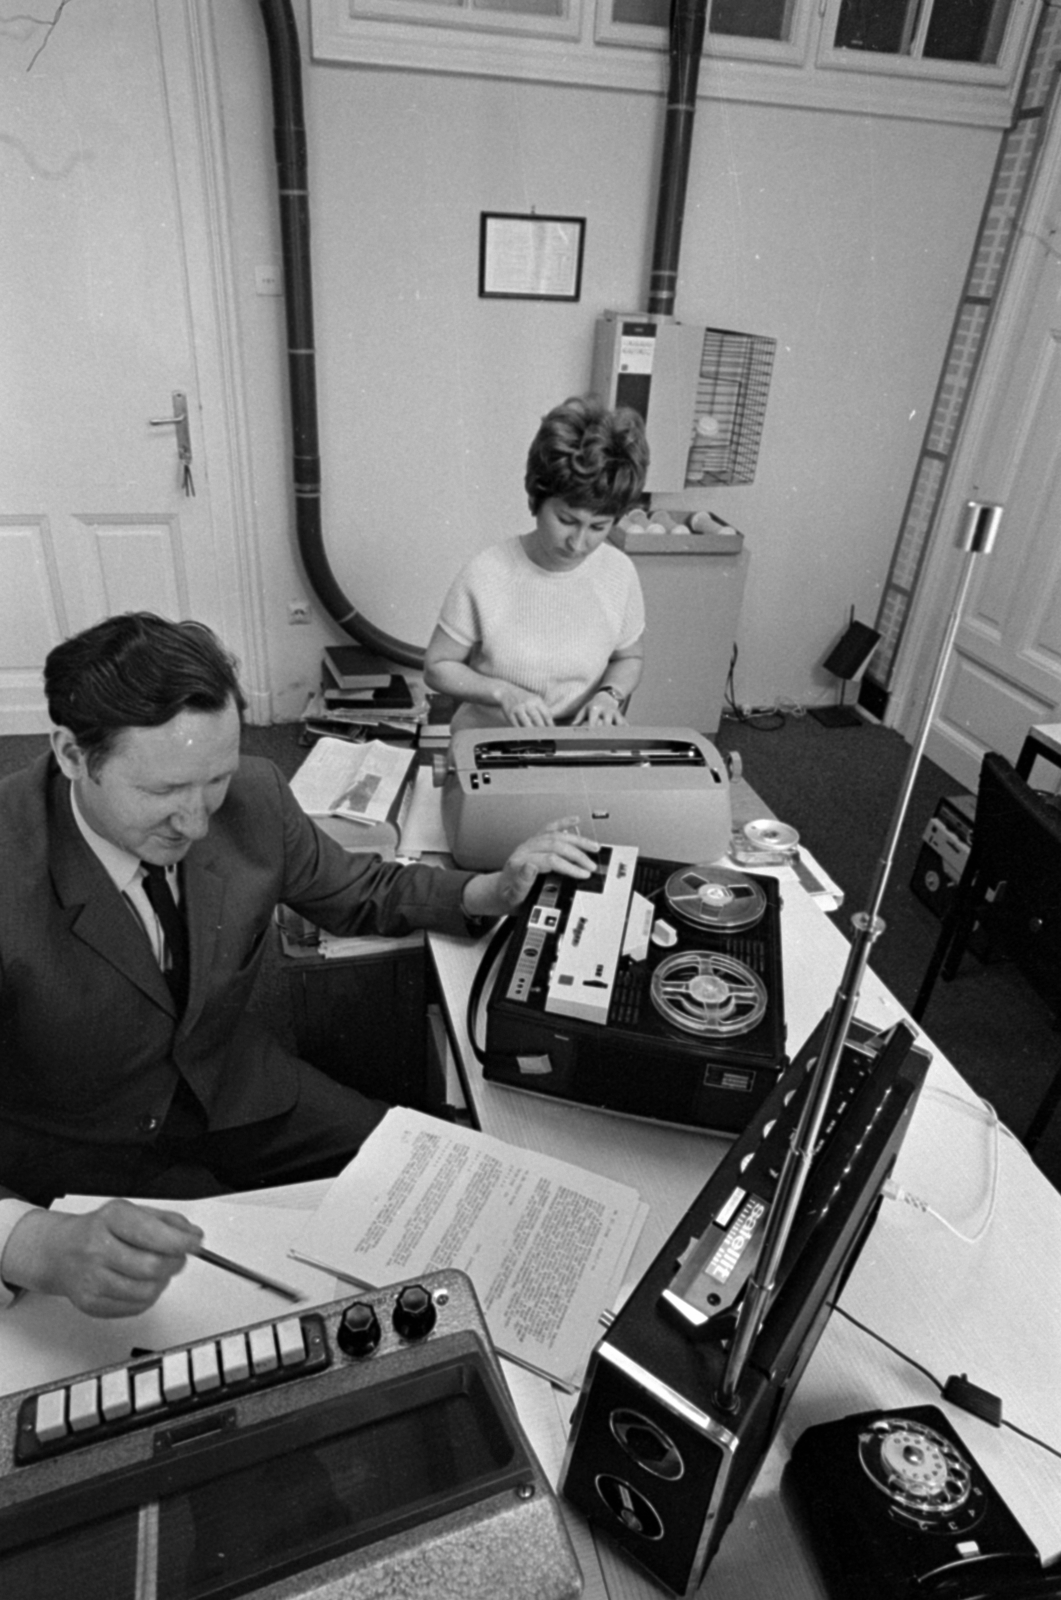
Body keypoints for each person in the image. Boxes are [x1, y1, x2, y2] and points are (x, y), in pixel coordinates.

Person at [0, 612, 599, 1318]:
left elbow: (358, 891)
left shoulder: (253, 794)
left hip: (244, 1093)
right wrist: (29, 1242)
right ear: (71, 754)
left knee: (446, 1192)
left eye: (213, 780)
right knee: (232, 1334)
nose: (195, 823)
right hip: (76, 1156)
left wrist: (489, 890)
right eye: (162, 793)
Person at [424, 395, 649, 731]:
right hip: (491, 743)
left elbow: (629, 657)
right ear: (536, 498)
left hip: (576, 746)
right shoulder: (486, 573)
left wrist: (608, 695)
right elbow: (437, 666)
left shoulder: (619, 572)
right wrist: (504, 693)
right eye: (566, 520)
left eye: (599, 527)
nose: (579, 543)